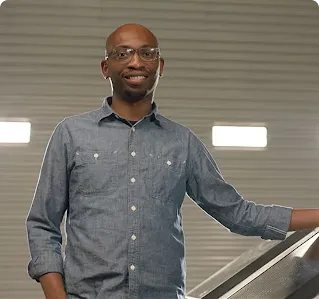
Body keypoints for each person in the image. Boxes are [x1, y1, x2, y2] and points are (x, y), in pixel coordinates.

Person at [26, 23, 319, 299]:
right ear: (106, 67)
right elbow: (43, 224)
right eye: (123, 53)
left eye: (147, 53)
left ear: (160, 66)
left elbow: (238, 214)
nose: (136, 62)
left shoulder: (183, 142)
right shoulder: (71, 134)